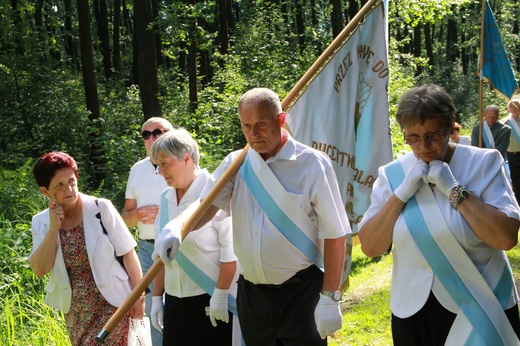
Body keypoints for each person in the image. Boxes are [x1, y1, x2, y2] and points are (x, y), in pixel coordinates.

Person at [153, 87, 350, 345]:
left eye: (261, 124)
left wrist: (330, 296)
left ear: (281, 120)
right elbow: (206, 205)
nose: (253, 134)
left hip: (301, 292)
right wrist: (178, 227)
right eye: (246, 126)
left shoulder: (312, 164)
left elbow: (335, 232)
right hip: (252, 295)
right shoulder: (236, 163)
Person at [358, 84, 520, 345]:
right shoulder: (392, 175)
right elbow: (371, 246)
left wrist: (456, 190)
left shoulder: (484, 162)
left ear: (449, 127)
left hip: (481, 301)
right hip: (413, 309)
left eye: (432, 135)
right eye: (412, 137)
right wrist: (401, 194)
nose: (423, 146)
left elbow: (505, 238)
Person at [28, 151, 144, 345]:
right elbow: (40, 269)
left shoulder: (100, 208)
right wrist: (53, 230)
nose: (69, 189)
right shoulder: (40, 222)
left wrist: (138, 296)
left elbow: (128, 253)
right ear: (45, 191)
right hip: (76, 313)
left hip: (114, 303)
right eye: (60, 185)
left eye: (72, 181)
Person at [149, 129, 238, 345]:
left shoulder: (215, 192)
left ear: (187, 158)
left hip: (210, 300)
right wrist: (156, 298)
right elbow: (161, 255)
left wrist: (220, 294)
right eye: (157, 165)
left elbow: (231, 252)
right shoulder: (165, 198)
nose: (160, 171)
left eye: (165, 163)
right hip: (175, 303)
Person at [122, 116, 173, 346]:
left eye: (158, 132)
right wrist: (138, 214)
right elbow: (126, 217)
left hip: (176, 248)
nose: (152, 138)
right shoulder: (137, 170)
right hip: (146, 250)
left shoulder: (181, 163)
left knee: (180, 305)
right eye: (146, 134)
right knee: (154, 311)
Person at [505, 99, 520, 205]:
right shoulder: (505, 123)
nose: (515, 108)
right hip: (512, 155)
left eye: (517, 106)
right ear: (509, 109)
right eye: (512, 106)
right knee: (515, 180)